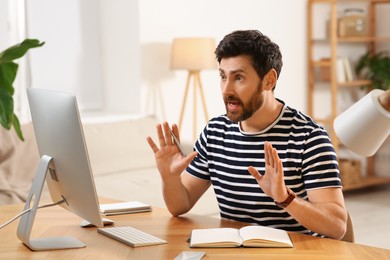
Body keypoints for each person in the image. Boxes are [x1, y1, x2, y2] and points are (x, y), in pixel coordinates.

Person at [147, 30, 347, 240]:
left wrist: (285, 198)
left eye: (239, 77)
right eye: (223, 77)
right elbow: (180, 205)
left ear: (269, 80)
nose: (226, 89)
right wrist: (169, 178)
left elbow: (337, 226)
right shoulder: (215, 132)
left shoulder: (309, 137)